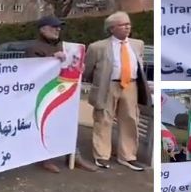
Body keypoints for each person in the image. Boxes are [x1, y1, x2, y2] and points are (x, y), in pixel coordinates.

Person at [24, 15, 97, 173]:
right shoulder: (34, 48)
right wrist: (50, 60)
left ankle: (73, 156)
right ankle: (45, 158)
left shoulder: (65, 47)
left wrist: (79, 68)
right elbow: (32, 72)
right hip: (45, 95)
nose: (58, 29)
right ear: (43, 29)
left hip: (65, 93)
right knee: (47, 126)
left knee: (68, 124)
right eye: (53, 27)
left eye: (59, 27)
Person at [83, 11, 148, 171]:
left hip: (130, 86)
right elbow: (88, 71)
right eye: (122, 24)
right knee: (103, 120)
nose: (127, 27)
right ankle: (102, 156)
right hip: (107, 86)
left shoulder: (137, 44)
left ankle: (128, 156)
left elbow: (139, 66)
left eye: (128, 24)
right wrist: (99, 83)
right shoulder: (97, 47)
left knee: (130, 120)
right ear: (112, 28)